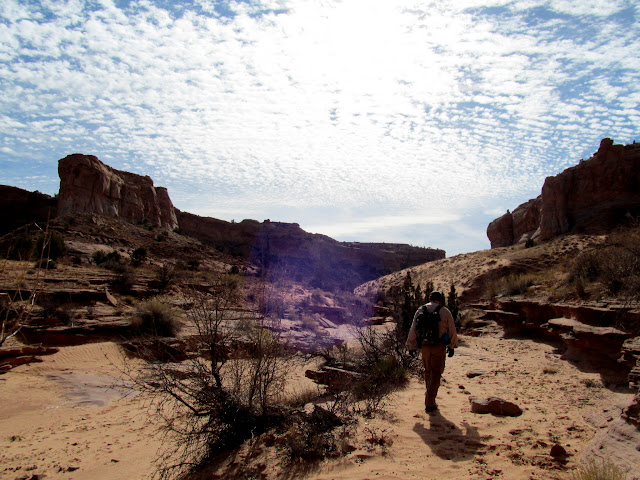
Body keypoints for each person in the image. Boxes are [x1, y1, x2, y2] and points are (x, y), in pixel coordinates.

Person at [406, 290, 458, 413]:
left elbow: (413, 329)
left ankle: (430, 397)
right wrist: (452, 346)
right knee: (436, 373)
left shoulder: (420, 309)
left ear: (429, 299)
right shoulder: (445, 311)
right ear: (440, 300)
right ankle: (430, 402)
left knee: (427, 372)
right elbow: (452, 330)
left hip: (424, 346)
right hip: (438, 347)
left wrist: (411, 346)